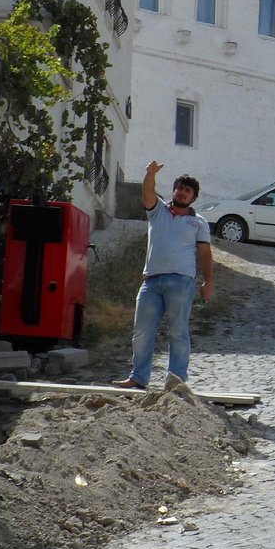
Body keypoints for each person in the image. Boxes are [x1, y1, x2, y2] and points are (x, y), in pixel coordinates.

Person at [113, 161, 212, 389]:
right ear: (173, 190)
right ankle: (138, 377)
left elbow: (205, 254)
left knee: (178, 331)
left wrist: (208, 281)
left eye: (188, 191)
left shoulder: (198, 223)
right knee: (142, 331)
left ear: (193, 198)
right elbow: (147, 192)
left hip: (181, 282)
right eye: (180, 188)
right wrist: (150, 173)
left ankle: (176, 381)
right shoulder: (157, 211)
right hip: (151, 281)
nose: (183, 192)